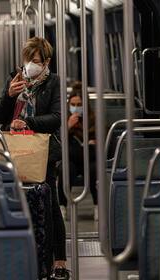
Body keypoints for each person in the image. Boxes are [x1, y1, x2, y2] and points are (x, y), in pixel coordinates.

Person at [0, 37, 69, 280]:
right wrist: (8, 96)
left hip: (41, 150)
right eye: (28, 60)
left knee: (50, 203)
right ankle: (24, 256)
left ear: (46, 61)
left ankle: (58, 261)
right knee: (16, 202)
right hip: (15, 148)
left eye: (35, 61)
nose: (30, 65)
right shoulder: (15, 79)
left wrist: (28, 122)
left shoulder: (54, 82)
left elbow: (57, 117)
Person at [57, 81, 98, 221]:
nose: (75, 108)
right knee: (65, 170)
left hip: (90, 158)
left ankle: (98, 205)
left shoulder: (93, 120)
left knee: (94, 170)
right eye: (73, 105)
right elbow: (58, 142)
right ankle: (62, 206)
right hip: (71, 158)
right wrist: (67, 127)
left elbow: (101, 139)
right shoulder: (63, 120)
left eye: (79, 105)